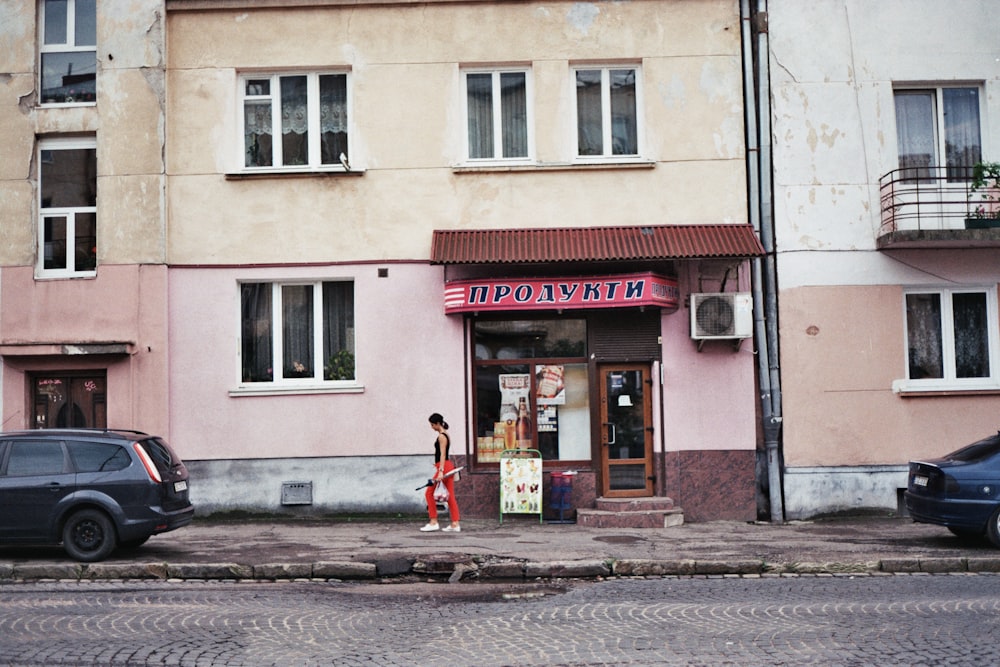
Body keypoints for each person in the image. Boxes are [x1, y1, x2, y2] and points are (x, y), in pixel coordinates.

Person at [421, 413, 461, 532]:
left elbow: (443, 454)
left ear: (438, 424)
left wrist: (440, 471)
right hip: (447, 466)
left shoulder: (441, 436)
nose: (431, 427)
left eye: (432, 424)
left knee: (429, 493)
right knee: (450, 497)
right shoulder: (446, 434)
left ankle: (433, 522)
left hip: (444, 468)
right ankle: (455, 523)